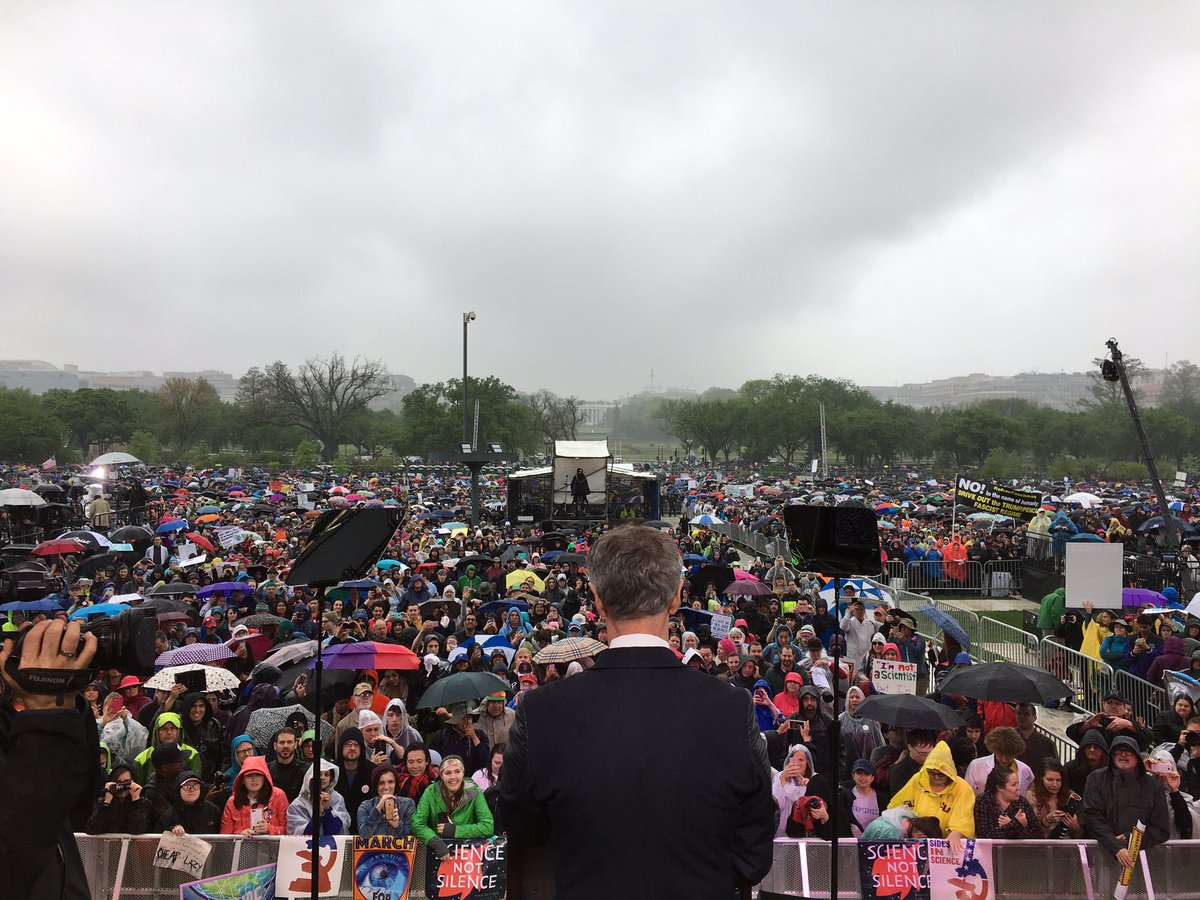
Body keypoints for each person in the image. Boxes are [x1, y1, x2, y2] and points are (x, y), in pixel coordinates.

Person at [500, 525, 775, 898]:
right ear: (677, 597)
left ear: (597, 600)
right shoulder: (729, 707)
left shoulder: (542, 710)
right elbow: (756, 839)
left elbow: (522, 827)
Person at [1082, 735, 1170, 869]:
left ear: (1137, 756)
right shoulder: (1095, 779)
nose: (1123, 755)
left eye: (1128, 751)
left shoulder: (1153, 785)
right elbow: (1093, 817)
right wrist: (1115, 846)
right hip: (1102, 856)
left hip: (1144, 860)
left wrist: (1131, 839)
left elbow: (1161, 829)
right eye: (1118, 751)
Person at [888, 740, 976, 855]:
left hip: (946, 849)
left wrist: (957, 832)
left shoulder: (963, 788)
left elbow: (964, 816)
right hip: (915, 845)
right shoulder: (917, 779)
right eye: (931, 772)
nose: (936, 777)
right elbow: (897, 806)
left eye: (941, 774)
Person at [412, 755, 494, 860]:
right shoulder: (430, 792)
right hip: (439, 853)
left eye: (457, 772)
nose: (453, 777)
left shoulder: (475, 792)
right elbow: (416, 823)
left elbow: (488, 826)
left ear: (463, 773)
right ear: (441, 775)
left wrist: (456, 831)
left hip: (468, 855)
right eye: (448, 773)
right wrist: (434, 840)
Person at [220, 755, 289, 836]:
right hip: (242, 847)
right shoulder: (232, 802)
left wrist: (270, 829)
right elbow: (224, 836)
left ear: (265, 777)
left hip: (272, 847)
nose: (254, 779)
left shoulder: (279, 796)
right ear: (242, 779)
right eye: (249, 776)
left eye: (258, 775)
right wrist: (240, 834)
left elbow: (289, 830)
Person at [973, 764, 1041, 839]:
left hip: (1019, 850)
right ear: (999, 788)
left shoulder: (1022, 802)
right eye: (1014, 785)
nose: (1018, 788)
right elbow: (985, 835)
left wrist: (1010, 824)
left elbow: (1038, 835)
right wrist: (1017, 824)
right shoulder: (984, 801)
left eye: (1018, 783)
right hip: (990, 850)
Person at [286, 759, 351, 836]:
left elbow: (336, 831)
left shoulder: (337, 799)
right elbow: (300, 836)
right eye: (319, 774)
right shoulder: (298, 805)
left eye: (327, 774)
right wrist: (318, 813)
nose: (323, 778)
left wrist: (326, 810)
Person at [964, 727, 1034, 797]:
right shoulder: (976, 766)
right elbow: (968, 795)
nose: (1004, 759)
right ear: (994, 749)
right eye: (1000, 753)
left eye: (1009, 755)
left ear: (1015, 752)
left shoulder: (1025, 770)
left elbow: (1031, 790)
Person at [85, 763, 153, 834]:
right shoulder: (102, 803)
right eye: (118, 783)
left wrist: (136, 800)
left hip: (131, 844)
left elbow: (136, 830)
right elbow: (92, 829)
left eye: (126, 783)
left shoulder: (143, 803)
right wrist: (107, 803)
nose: (122, 788)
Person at [357, 762, 416, 839]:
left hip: (399, 851)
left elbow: (410, 838)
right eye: (381, 783)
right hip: (373, 851)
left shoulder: (408, 804)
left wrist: (396, 825)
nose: (386, 787)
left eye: (391, 782)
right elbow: (364, 834)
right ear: (375, 785)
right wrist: (378, 809)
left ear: (396, 784)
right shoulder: (365, 806)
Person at [159, 770, 221, 835]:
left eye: (196, 786)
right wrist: (171, 829)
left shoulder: (212, 810)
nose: (192, 790)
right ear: (178, 790)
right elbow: (156, 841)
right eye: (187, 786)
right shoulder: (169, 816)